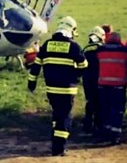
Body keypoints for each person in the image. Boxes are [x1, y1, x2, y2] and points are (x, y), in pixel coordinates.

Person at [27, 16, 86, 156]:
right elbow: (84, 66)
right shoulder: (74, 46)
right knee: (65, 117)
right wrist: (76, 76)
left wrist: (32, 83)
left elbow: (35, 66)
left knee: (57, 114)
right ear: (71, 30)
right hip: (67, 89)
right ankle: (59, 149)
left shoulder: (47, 45)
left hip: (51, 89)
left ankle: (55, 142)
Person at [96, 32, 127, 145]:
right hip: (119, 86)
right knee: (118, 111)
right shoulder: (124, 50)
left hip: (103, 85)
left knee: (105, 110)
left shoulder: (100, 50)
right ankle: (115, 136)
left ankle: (105, 133)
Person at [81, 26, 106, 135]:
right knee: (100, 102)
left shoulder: (85, 49)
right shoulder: (102, 48)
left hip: (87, 79)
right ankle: (98, 126)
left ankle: (87, 125)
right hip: (99, 78)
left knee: (90, 101)